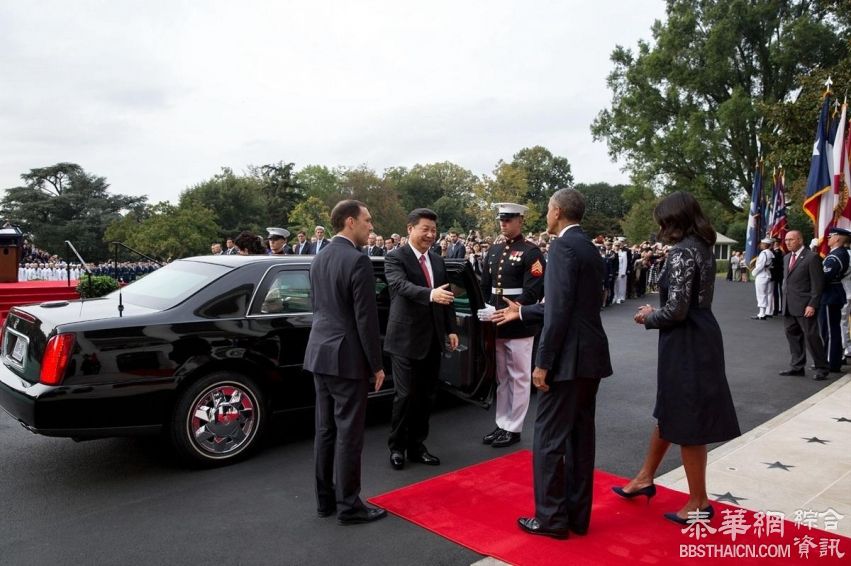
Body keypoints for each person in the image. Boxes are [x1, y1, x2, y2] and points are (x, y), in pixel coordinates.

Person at [493, 188, 611, 539]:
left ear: (557, 211)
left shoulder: (561, 247)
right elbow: (574, 304)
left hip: (567, 358)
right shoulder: (589, 247)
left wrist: (542, 362)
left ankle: (550, 519)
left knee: (547, 439)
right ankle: (576, 516)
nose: (546, 216)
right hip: (591, 355)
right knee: (580, 439)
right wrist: (525, 309)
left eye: (547, 210)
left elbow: (559, 311)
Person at [618, 192, 740, 525]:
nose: (660, 227)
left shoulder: (683, 252)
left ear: (674, 220)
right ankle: (645, 477)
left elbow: (677, 310)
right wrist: (659, 313)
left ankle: (699, 501)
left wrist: (647, 317)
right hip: (698, 334)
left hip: (687, 340)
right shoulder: (701, 247)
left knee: (687, 420)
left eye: (663, 220)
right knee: (671, 409)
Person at [303, 200, 387, 525]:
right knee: (349, 434)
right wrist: (377, 365)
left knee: (324, 431)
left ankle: (325, 501)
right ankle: (350, 506)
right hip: (347, 359)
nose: (371, 226)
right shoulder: (357, 261)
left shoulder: (318, 257)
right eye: (367, 220)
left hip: (319, 353)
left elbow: (318, 307)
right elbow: (366, 320)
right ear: (350, 222)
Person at [384, 208, 459, 470]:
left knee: (426, 397)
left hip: (432, 340)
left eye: (434, 230)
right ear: (410, 229)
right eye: (425, 229)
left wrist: (451, 329)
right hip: (404, 340)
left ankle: (417, 446)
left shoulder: (438, 261)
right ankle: (397, 448)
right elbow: (400, 287)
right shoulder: (395, 258)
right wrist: (430, 295)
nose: (430, 235)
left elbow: (446, 298)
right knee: (404, 396)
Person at [479, 203, 545, 448]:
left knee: (518, 376)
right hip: (497, 320)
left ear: (521, 221)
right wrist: (486, 307)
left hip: (518, 323)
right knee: (502, 376)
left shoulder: (531, 251)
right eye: (501, 219)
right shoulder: (494, 250)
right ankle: (502, 423)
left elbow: (534, 289)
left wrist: (514, 309)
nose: (503, 223)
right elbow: (486, 284)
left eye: (508, 219)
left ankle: (514, 427)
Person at [779, 230, 828, 380]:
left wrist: (812, 304)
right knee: (792, 336)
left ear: (800, 240)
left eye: (791, 240)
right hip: (789, 304)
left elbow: (817, 284)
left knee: (811, 336)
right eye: (786, 240)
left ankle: (822, 367)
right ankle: (797, 366)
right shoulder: (787, 257)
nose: (787, 242)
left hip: (805, 306)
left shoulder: (812, 258)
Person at [820, 227, 851, 373]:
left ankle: (831, 361)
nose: (828, 239)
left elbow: (825, 277)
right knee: (832, 329)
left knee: (830, 330)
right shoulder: (840, 253)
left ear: (838, 238)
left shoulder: (836, 255)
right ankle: (832, 359)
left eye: (831, 236)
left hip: (830, 294)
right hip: (835, 293)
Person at [751, 238, 775, 320]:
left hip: (762, 275)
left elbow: (760, 266)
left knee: (761, 294)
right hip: (767, 274)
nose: (761, 245)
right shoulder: (770, 253)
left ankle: (761, 313)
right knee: (767, 294)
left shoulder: (764, 253)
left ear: (765, 244)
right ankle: (766, 311)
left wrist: (753, 272)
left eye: (762, 244)